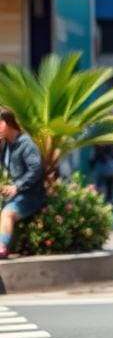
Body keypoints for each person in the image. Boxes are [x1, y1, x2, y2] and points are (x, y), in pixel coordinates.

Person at [0, 109, 45, 259]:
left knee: (7, 214)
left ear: (5, 124)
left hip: (30, 195)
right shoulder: (7, 144)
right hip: (15, 194)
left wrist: (16, 186)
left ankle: (2, 248)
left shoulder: (26, 144)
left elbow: (36, 169)